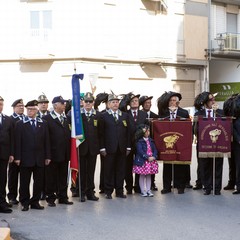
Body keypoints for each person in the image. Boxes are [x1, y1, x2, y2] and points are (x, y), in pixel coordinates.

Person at [14, 100, 51, 211]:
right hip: (25, 158)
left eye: (33, 109)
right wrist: (17, 157)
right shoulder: (20, 124)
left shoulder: (42, 123)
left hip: (39, 158)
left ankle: (35, 202)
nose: (30, 111)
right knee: (25, 182)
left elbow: (47, 141)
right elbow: (17, 142)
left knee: (38, 182)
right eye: (28, 109)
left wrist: (48, 156)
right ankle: (25, 202)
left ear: (36, 110)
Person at [157, 91, 190, 194]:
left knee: (179, 164)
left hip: (180, 143)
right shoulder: (163, 113)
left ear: (178, 102)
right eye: (170, 100)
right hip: (167, 143)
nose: (172, 102)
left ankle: (180, 186)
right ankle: (166, 187)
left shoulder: (184, 113)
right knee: (167, 165)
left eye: (174, 100)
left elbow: (188, 128)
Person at [43, 96, 73, 207]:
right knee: (51, 177)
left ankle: (63, 197)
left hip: (64, 153)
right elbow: (45, 138)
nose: (64, 104)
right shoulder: (47, 119)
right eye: (62, 103)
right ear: (55, 105)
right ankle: (50, 197)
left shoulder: (66, 118)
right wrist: (47, 154)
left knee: (63, 176)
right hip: (53, 154)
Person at [100, 93, 131, 199]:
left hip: (122, 148)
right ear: (108, 104)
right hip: (109, 148)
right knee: (108, 170)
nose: (115, 104)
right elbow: (101, 134)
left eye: (117, 102)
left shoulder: (124, 115)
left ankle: (119, 191)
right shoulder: (103, 116)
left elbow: (128, 133)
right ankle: (108, 191)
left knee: (121, 170)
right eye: (113, 102)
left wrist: (128, 147)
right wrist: (102, 147)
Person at [193, 91, 224, 195]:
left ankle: (217, 188)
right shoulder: (198, 114)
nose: (213, 101)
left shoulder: (220, 112)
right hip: (203, 145)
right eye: (211, 100)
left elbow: (226, 127)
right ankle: (207, 187)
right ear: (205, 102)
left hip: (218, 144)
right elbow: (194, 130)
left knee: (218, 166)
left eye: (213, 99)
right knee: (204, 166)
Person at [75, 92, 101, 202]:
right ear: (83, 102)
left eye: (90, 102)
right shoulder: (78, 115)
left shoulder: (98, 115)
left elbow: (100, 133)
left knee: (91, 171)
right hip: (81, 147)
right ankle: (81, 193)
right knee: (81, 172)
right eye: (86, 101)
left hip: (93, 149)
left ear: (93, 103)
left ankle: (90, 192)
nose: (88, 103)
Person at [126, 94, 148, 194]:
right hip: (128, 144)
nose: (135, 102)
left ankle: (138, 186)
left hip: (140, 144)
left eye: (136, 101)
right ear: (129, 103)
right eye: (132, 101)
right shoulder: (125, 114)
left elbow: (146, 128)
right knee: (128, 166)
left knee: (139, 164)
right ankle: (129, 186)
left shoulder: (143, 114)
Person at [139, 95, 159, 191]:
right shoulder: (140, 114)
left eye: (149, 103)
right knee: (141, 164)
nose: (148, 105)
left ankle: (152, 183)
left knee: (152, 164)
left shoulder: (155, 116)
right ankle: (139, 185)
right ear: (142, 104)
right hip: (142, 143)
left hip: (151, 143)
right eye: (146, 103)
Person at [133, 124, 158, 197]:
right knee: (142, 175)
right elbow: (140, 151)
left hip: (151, 161)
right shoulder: (139, 142)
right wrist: (147, 157)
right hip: (143, 161)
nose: (148, 133)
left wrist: (154, 156)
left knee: (149, 175)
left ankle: (148, 190)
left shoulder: (151, 141)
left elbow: (155, 149)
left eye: (149, 131)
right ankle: (142, 190)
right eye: (146, 131)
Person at [8, 98, 25, 205]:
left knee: (24, 177)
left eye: (23, 106)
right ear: (14, 108)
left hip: (25, 152)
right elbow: (10, 138)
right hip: (14, 152)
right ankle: (12, 196)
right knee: (13, 176)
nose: (22, 108)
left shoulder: (26, 119)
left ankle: (23, 196)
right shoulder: (10, 120)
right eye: (19, 106)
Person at [0, 96, 14, 213]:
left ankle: (2, 202)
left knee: (2, 179)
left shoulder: (7, 119)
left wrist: (11, 153)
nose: (0, 106)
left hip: (3, 155)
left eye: (1, 104)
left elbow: (12, 138)